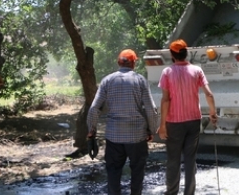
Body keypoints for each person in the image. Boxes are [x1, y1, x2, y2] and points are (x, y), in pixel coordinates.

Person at [87, 49, 158, 195]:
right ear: (134, 63)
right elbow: (151, 109)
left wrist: (91, 131)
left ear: (119, 62)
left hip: (114, 136)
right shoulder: (140, 80)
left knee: (113, 172)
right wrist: (151, 129)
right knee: (137, 172)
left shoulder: (107, 80)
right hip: (137, 136)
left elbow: (94, 108)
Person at [158, 39, 218, 195]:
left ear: (172, 55)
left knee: (173, 159)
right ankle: (189, 193)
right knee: (190, 159)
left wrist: (162, 124)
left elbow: (165, 100)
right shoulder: (197, 71)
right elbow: (209, 94)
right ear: (186, 53)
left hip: (174, 122)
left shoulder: (167, 72)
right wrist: (213, 112)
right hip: (193, 121)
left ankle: (171, 192)